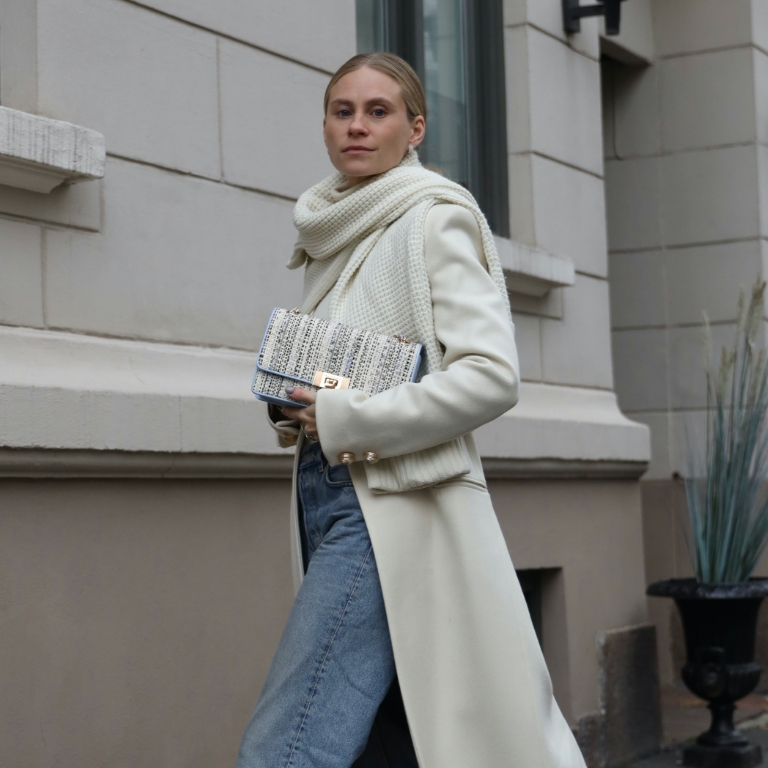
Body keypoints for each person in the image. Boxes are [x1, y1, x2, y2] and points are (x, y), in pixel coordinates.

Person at [236, 52, 587, 768]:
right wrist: (298, 406)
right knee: (388, 745)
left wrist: (342, 416)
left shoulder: (432, 220)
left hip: (389, 507)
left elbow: (491, 377)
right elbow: (347, 377)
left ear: (415, 127)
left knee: (289, 745)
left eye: (378, 111)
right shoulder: (335, 231)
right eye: (343, 112)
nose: (356, 127)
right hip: (328, 490)